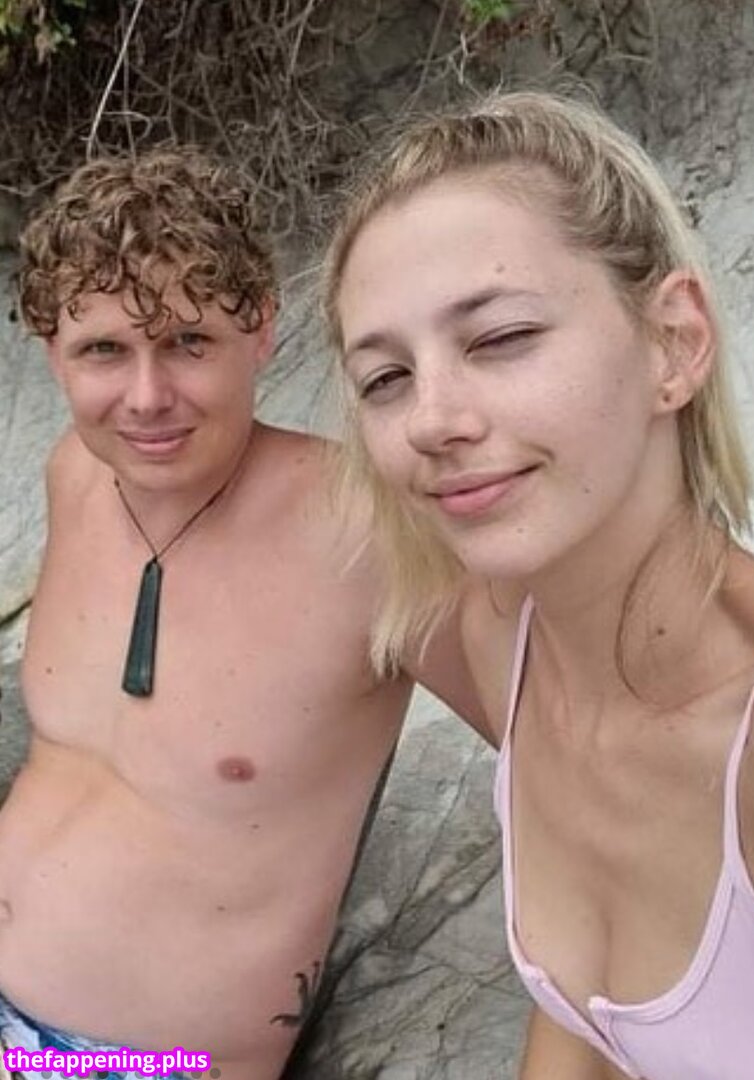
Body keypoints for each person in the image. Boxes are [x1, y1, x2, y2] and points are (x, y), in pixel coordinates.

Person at [323, 90, 754, 1078]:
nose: (431, 419)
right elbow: (586, 1022)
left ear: (674, 342)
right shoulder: (509, 645)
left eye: (499, 338)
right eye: (385, 379)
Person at [0, 148, 486, 1080]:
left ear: (261, 328)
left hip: (146, 1063)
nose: (148, 398)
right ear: (51, 349)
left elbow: (561, 743)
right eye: (104, 350)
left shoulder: (363, 529)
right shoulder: (76, 472)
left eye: (189, 342)